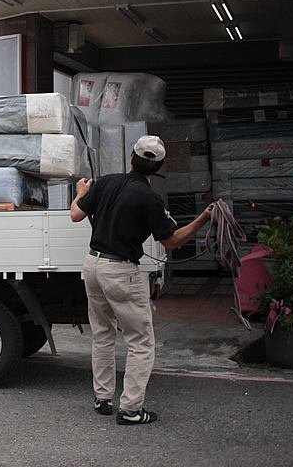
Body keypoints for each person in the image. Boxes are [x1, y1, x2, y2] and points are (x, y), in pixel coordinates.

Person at [70, 135, 212, 426]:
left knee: (103, 334)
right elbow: (172, 242)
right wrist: (202, 220)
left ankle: (103, 398)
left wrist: (79, 190)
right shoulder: (149, 199)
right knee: (140, 341)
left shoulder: (106, 182)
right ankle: (131, 410)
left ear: (131, 158)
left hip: (93, 265)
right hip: (121, 272)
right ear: (159, 167)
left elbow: (75, 214)